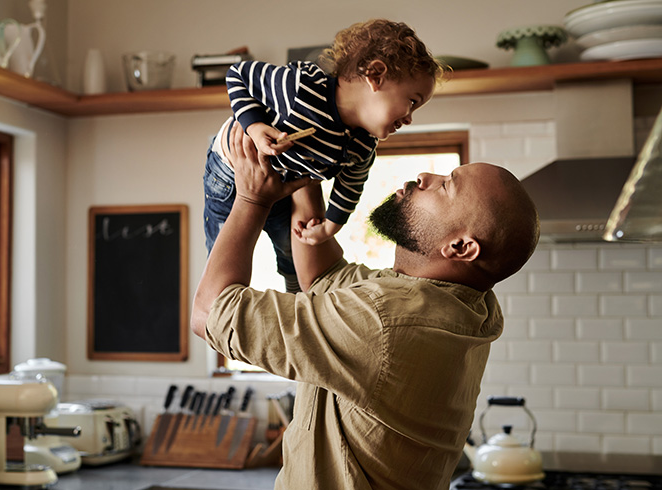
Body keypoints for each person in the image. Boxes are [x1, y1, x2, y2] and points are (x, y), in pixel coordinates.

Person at [192, 123, 540, 490]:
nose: (424, 176)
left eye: (446, 185)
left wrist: (251, 199)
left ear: (460, 247)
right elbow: (322, 278)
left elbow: (209, 313)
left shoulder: (389, 321)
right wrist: (307, 177)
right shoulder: (462, 304)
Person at [203, 19, 443, 292]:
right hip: (229, 173)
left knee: (290, 248)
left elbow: (351, 186)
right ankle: (216, 300)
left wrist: (331, 225)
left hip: (281, 185)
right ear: (376, 76)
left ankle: (295, 296)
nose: (410, 119)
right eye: (412, 101)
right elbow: (239, 74)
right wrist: (255, 127)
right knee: (223, 248)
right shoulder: (302, 88)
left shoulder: (363, 145)